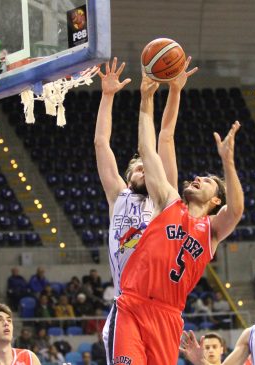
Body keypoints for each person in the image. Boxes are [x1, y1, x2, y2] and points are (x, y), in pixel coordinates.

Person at [110, 74, 244, 365]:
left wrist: (228, 162)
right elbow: (151, 146)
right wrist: (146, 99)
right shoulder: (168, 201)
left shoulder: (211, 231)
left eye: (206, 180)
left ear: (215, 200)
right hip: (133, 304)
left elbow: (235, 211)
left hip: (168, 316)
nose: (196, 178)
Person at [94, 56, 197, 362]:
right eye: (137, 168)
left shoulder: (166, 201)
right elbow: (102, 143)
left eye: (145, 166)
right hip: (127, 304)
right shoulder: (118, 196)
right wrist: (107, 96)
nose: (143, 169)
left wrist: (175, 92)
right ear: (128, 177)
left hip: (158, 307)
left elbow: (166, 137)